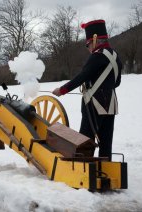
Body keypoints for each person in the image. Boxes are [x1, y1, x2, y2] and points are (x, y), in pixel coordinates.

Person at [52, 20, 122, 161]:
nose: (88, 48)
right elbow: (117, 82)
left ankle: (83, 171)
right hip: (111, 103)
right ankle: (105, 169)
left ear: (95, 40)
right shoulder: (115, 55)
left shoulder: (97, 56)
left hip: (94, 103)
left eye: (88, 44)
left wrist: (62, 90)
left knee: (85, 139)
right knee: (106, 141)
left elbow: (82, 77)